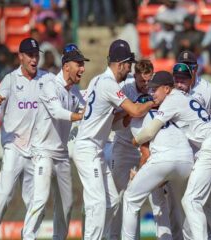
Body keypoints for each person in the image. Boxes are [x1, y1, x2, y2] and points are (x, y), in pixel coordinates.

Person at [131, 70, 211, 239]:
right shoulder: (184, 97)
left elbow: (149, 132)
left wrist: (134, 141)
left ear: (167, 89)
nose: (152, 93)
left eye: (156, 89)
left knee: (190, 200)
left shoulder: (171, 101)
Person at [73, 39, 154, 239]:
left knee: (112, 200)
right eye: (128, 64)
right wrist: (154, 101)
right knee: (99, 203)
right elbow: (135, 109)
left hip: (95, 150)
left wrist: (127, 115)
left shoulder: (96, 80)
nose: (129, 69)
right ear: (120, 64)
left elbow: (113, 121)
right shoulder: (109, 84)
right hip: (87, 149)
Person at [0, 38, 54, 239]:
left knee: (37, 202)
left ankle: (29, 236)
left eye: (36, 55)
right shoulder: (10, 80)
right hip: (14, 147)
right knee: (3, 196)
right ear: (21, 56)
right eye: (30, 55)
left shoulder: (47, 79)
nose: (34, 59)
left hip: (35, 151)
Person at [22, 44, 89, 239]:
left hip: (61, 156)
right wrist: (80, 116)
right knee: (40, 200)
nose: (82, 69)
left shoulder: (74, 91)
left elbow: (89, 107)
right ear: (66, 66)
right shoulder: (50, 83)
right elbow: (57, 112)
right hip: (43, 152)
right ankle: (28, 236)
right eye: (79, 64)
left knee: (66, 206)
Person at [121, 71, 194, 240]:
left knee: (130, 198)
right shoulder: (165, 114)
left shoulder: (138, 121)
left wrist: (137, 173)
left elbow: (146, 154)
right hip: (186, 161)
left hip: (164, 160)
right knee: (169, 203)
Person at [174, 50, 211, 240]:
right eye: (183, 65)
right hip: (189, 153)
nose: (186, 69)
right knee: (202, 203)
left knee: (195, 201)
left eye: (190, 66)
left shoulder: (206, 88)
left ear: (196, 68)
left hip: (206, 152)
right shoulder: (175, 88)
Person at [108, 59, 155, 239]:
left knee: (137, 198)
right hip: (123, 145)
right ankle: (113, 236)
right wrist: (132, 111)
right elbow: (114, 121)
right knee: (117, 197)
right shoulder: (125, 89)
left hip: (146, 148)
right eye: (142, 81)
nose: (145, 85)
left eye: (148, 80)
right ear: (134, 76)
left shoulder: (154, 88)